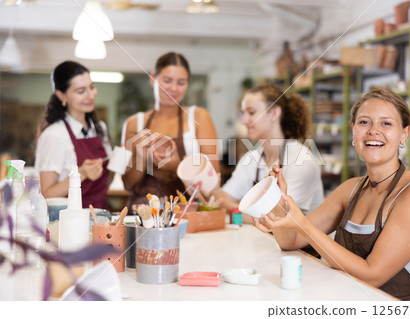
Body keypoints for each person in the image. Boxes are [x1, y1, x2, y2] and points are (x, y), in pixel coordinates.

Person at [255, 87, 410, 301]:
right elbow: (290, 241)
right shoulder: (351, 190)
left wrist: (302, 224)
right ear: (353, 131)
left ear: (404, 133)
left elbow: (372, 276)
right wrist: (279, 198)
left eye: (386, 123)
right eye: (364, 122)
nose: (373, 131)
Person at [212, 83, 324, 224]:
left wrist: (230, 208)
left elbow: (279, 221)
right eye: (243, 113)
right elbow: (223, 198)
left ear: (274, 114)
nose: (244, 121)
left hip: (302, 246)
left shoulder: (301, 160)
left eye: (251, 113)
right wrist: (209, 188)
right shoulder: (252, 159)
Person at [121, 52, 219, 208]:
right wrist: (140, 158)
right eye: (167, 81)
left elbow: (212, 182)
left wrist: (176, 165)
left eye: (181, 83)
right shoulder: (134, 123)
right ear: (153, 79)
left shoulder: (199, 117)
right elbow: (127, 185)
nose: (173, 88)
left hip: (186, 211)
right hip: (142, 211)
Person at [35, 61, 112, 209]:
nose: (91, 95)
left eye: (92, 87)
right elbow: (46, 194)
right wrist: (81, 174)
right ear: (61, 95)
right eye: (81, 91)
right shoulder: (54, 135)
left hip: (101, 217)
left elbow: (106, 180)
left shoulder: (99, 128)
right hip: (70, 223)